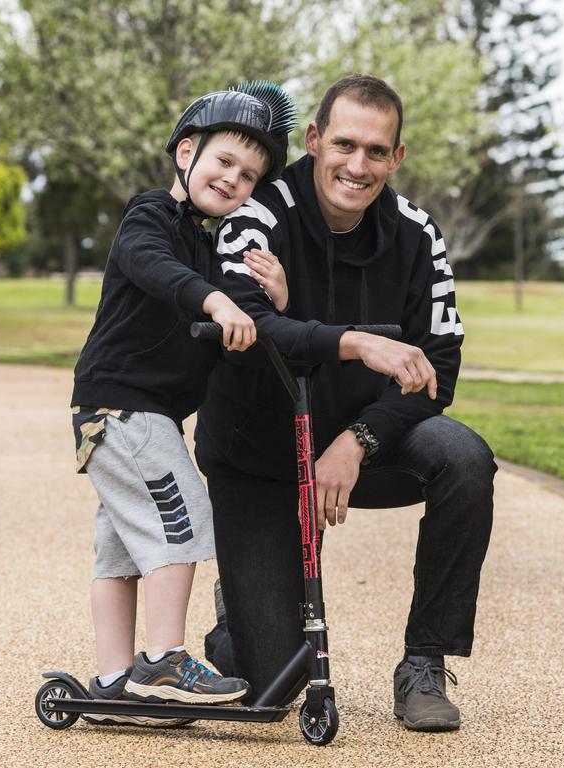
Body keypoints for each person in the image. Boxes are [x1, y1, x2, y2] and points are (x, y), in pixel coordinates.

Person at [195, 74, 496, 732]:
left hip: (364, 446)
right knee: (272, 688)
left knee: (464, 458)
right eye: (344, 144)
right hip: (261, 451)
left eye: (377, 151)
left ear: (398, 156)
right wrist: (356, 343)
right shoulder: (258, 209)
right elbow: (240, 325)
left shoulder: (419, 233)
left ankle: (424, 660)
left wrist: (357, 439)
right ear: (313, 139)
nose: (358, 166)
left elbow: (438, 366)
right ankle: (240, 615)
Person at [69, 81, 296, 724]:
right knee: (185, 516)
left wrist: (274, 299)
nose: (233, 180)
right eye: (224, 161)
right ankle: (164, 657)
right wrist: (214, 298)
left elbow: (233, 339)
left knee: (120, 549)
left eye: (249, 176)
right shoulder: (150, 216)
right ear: (186, 152)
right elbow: (150, 265)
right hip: (125, 409)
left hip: (123, 417)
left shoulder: (211, 247)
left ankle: (112, 680)